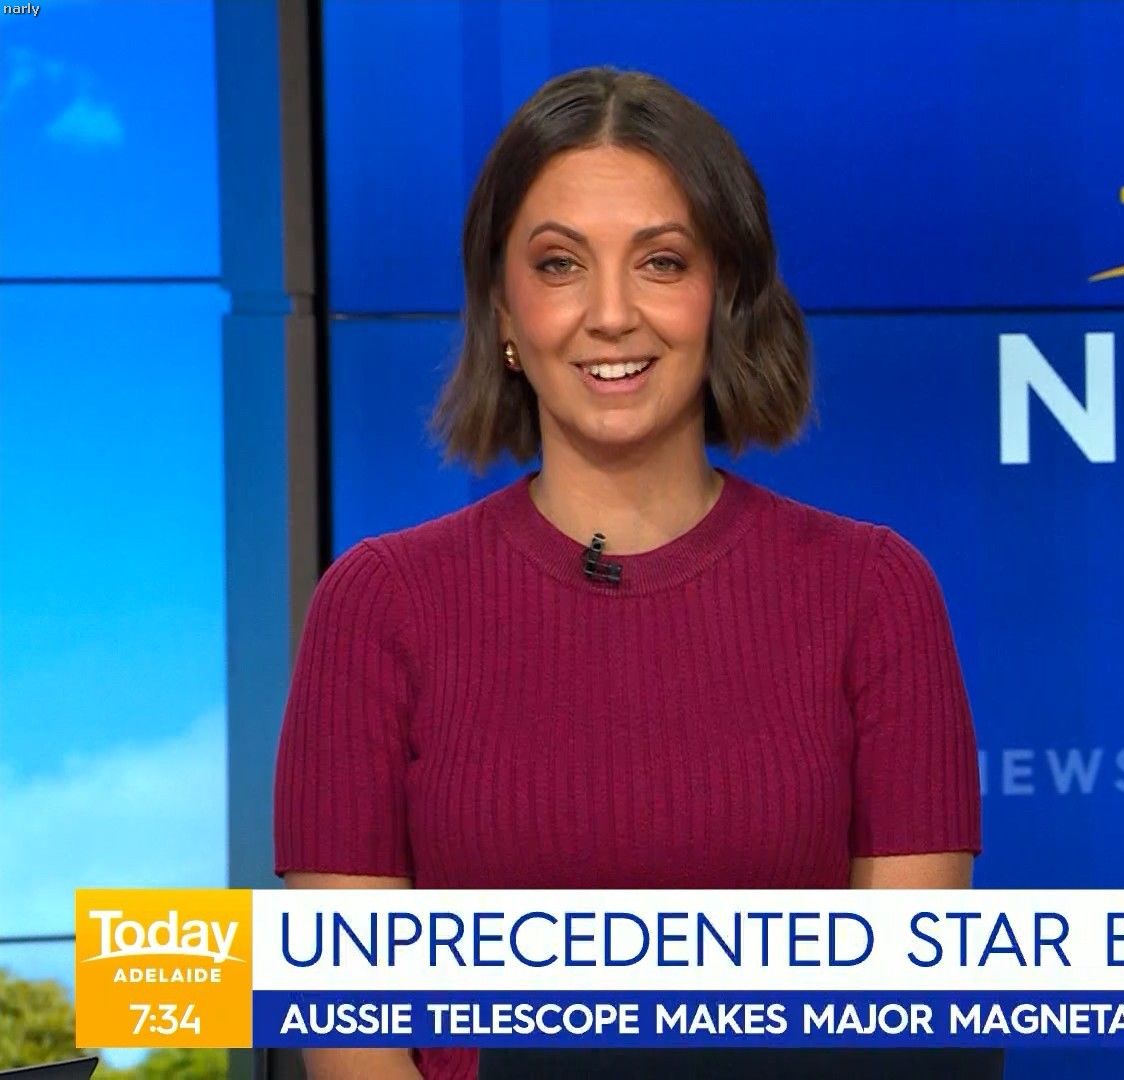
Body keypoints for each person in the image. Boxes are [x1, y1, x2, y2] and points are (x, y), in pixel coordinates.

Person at [273, 67, 984, 1080]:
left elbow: (899, 1027)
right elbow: (356, 1048)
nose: (610, 314)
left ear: (725, 295)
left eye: (661, 262)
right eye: (560, 264)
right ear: (503, 311)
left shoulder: (873, 593)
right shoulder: (379, 607)